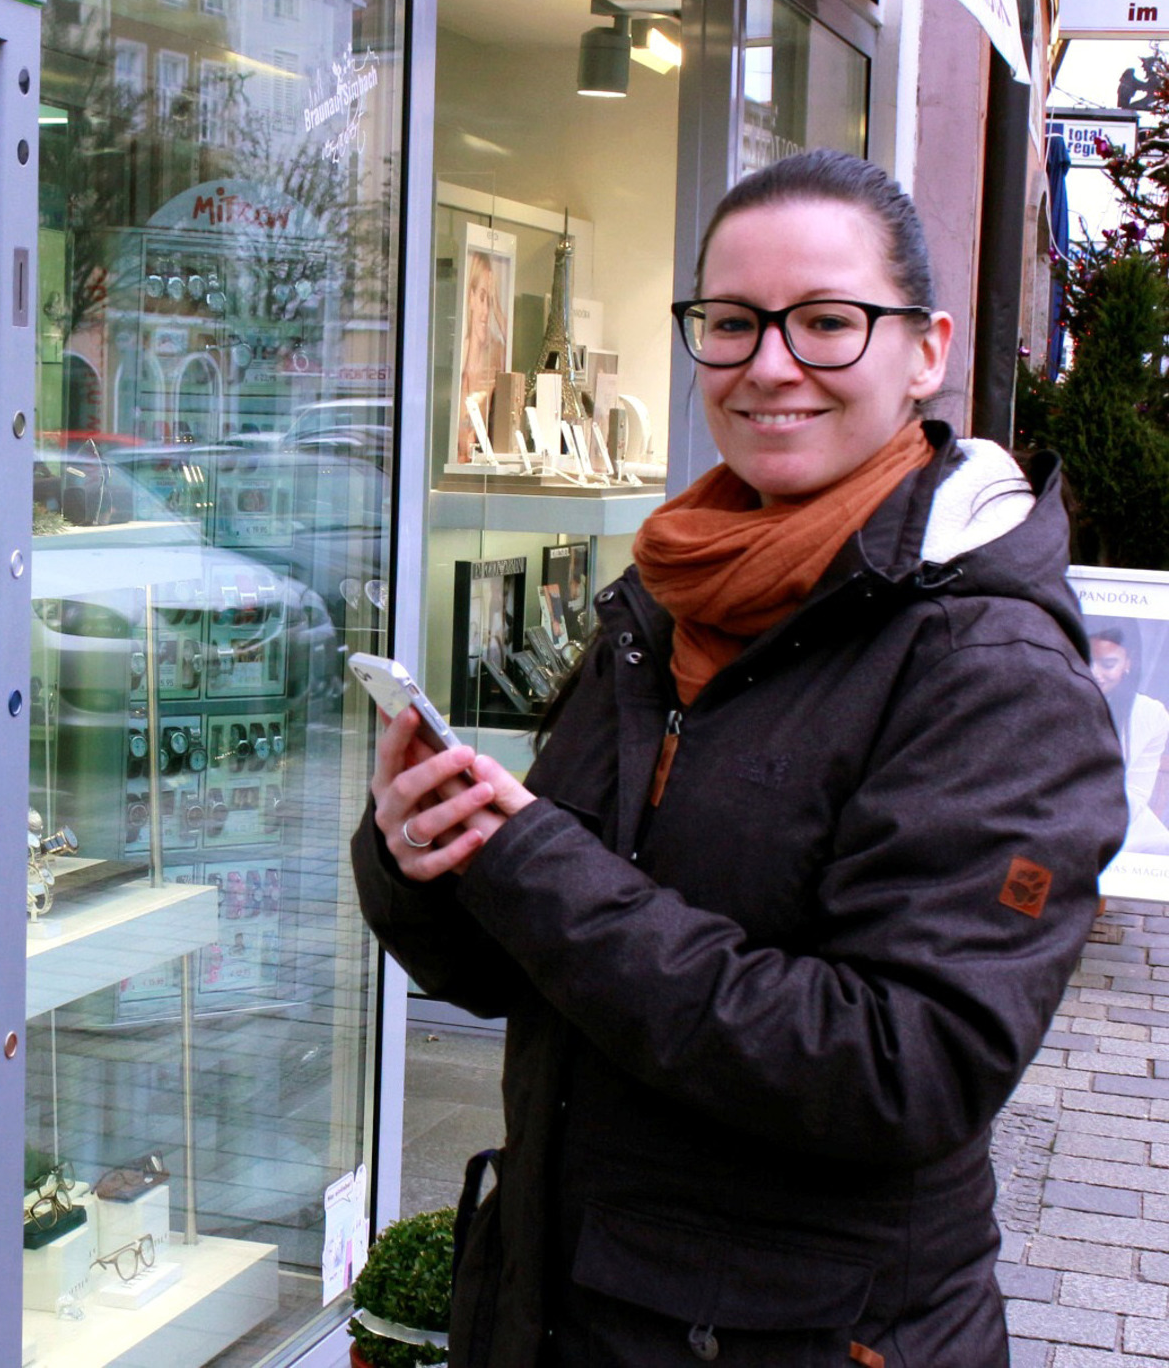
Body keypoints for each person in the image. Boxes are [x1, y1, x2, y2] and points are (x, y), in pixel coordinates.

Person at [354, 150, 1128, 1366]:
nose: (768, 365)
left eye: (824, 322)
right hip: (560, 1309)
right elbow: (517, 973)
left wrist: (535, 866)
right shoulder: (665, 599)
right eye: (729, 323)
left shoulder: (990, 670)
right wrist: (423, 852)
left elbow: (903, 1071)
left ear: (923, 352)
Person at [1087, 622, 1169, 855]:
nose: (1094, 673)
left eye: (1108, 664)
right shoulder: (1052, 701)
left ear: (1128, 662)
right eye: (1086, 660)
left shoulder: (1150, 715)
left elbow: (1137, 794)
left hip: (1121, 825)